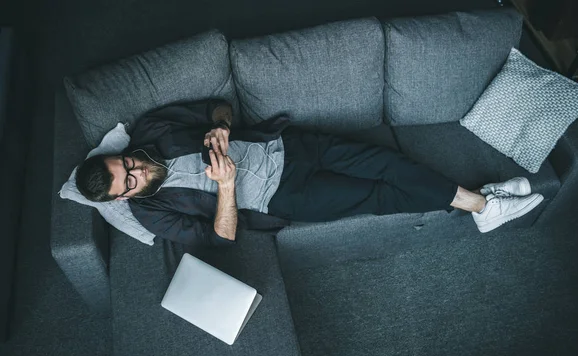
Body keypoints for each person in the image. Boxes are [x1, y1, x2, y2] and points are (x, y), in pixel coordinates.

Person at [75, 99, 543, 246]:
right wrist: (227, 187)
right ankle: (483, 202)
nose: (138, 167)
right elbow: (222, 238)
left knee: (389, 163)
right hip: (282, 197)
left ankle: (482, 203)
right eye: (130, 179)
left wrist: (219, 126)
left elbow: (217, 104)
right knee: (381, 195)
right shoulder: (152, 214)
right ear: (123, 197)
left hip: (287, 145)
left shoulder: (149, 130)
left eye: (128, 161)